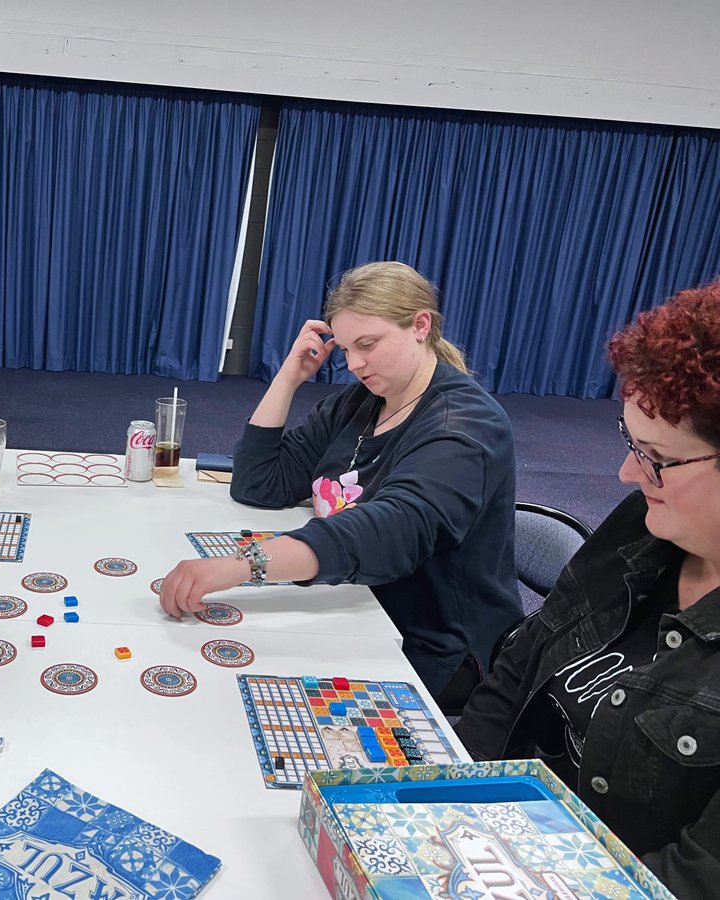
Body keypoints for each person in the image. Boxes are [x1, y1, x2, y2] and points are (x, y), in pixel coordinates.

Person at [456, 282, 720, 896]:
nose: (627, 473)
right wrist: (439, 804)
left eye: (655, 457)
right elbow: (517, 674)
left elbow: (691, 879)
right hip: (493, 848)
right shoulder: (642, 527)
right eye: (631, 443)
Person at [157, 262, 520, 704]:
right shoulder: (361, 402)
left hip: (433, 643)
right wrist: (288, 377)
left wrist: (243, 565)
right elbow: (258, 483)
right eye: (346, 348)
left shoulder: (465, 425)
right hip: (353, 600)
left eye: (367, 344)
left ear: (421, 326)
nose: (354, 364)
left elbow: (391, 530)